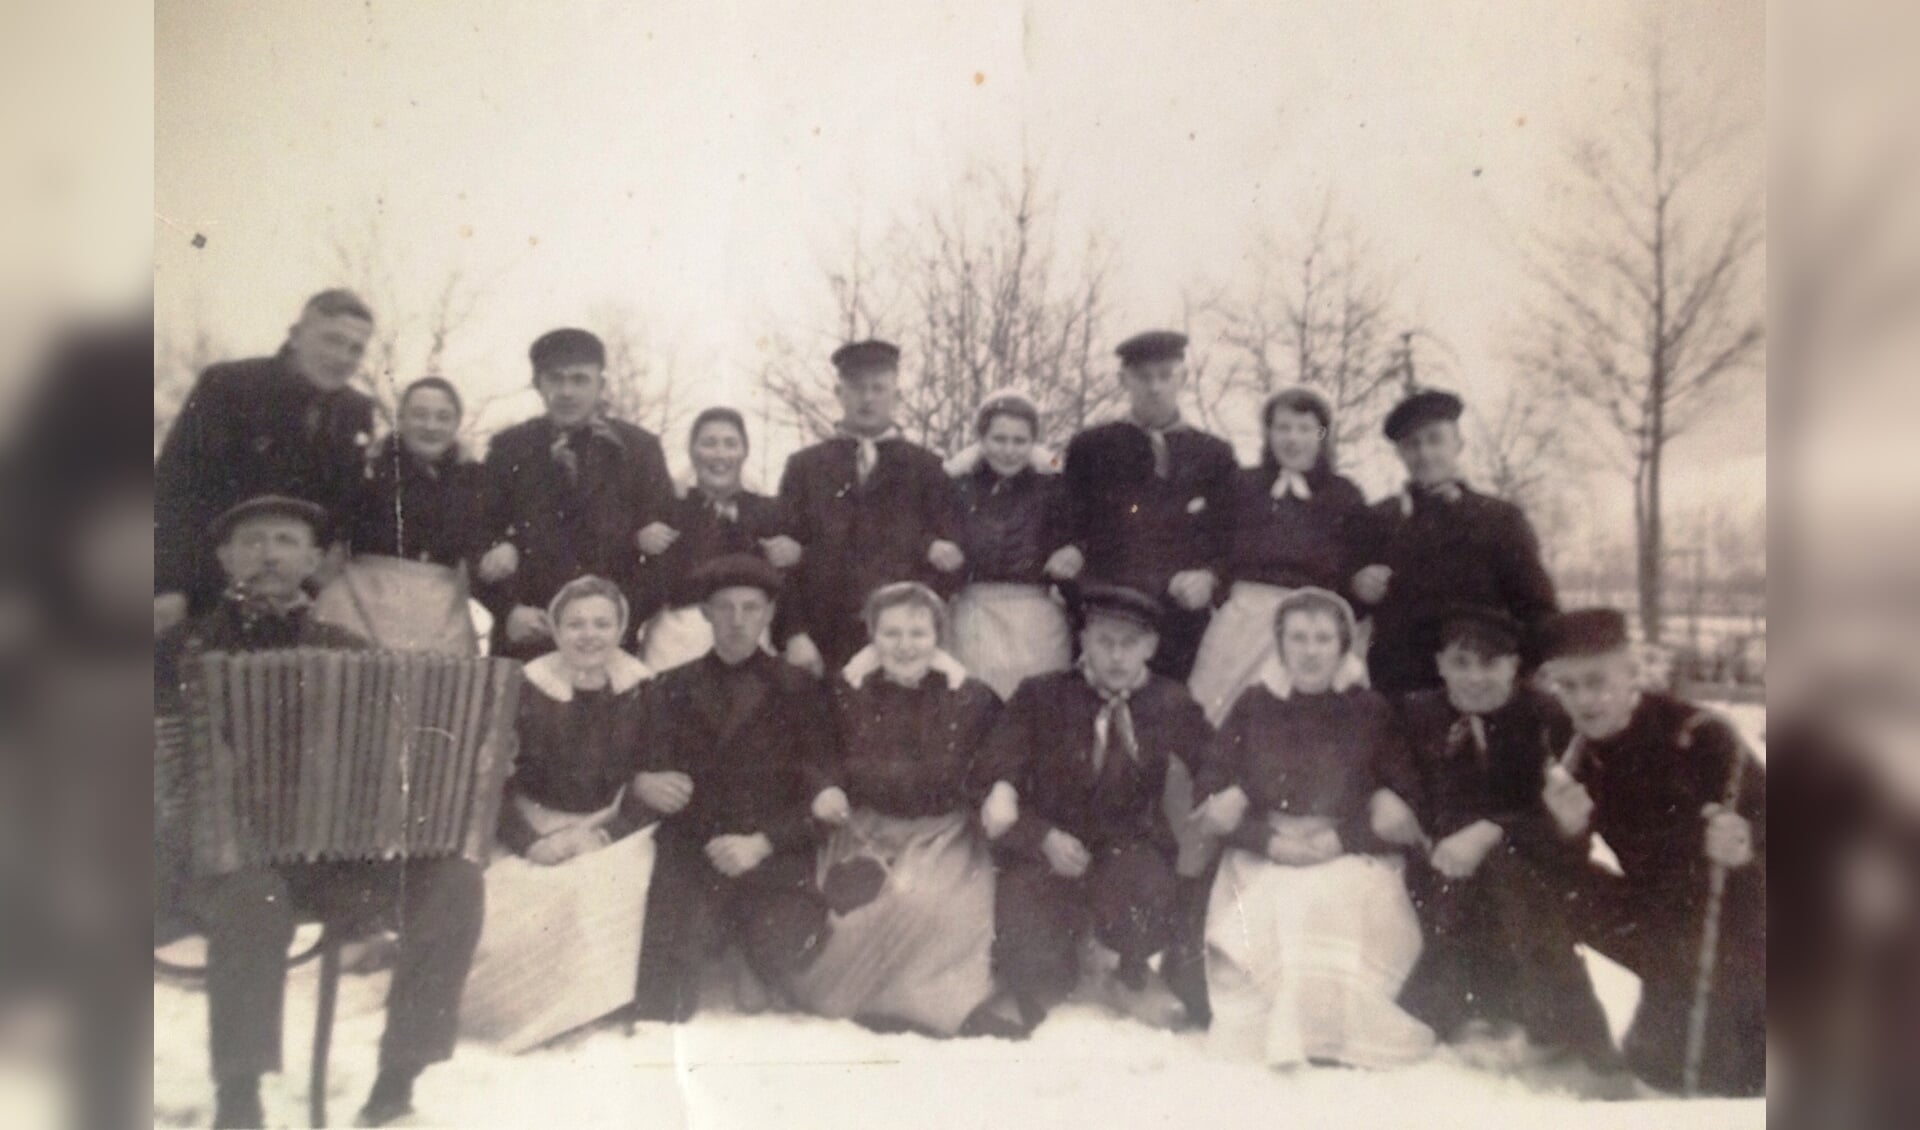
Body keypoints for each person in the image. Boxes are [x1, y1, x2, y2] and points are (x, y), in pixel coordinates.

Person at [153, 496, 482, 1129]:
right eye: (252, 541)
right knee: (255, 898)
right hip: (209, 867)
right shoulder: (176, 651)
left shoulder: (349, 650)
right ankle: (240, 1097)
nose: (270, 554)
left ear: (312, 558)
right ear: (223, 559)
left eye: (285, 540)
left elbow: (393, 755)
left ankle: (397, 1081)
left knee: (454, 881)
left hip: (334, 860)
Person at [1192, 586, 1434, 1070]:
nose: (1310, 651)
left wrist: (1343, 839)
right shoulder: (1254, 705)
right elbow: (1210, 791)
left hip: (1348, 851)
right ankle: (1282, 1030)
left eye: (1323, 638)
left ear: (1343, 645)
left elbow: (1410, 802)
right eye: (1297, 638)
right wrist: (1267, 839)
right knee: (1282, 895)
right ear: (1280, 644)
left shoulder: (1369, 710)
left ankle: (1330, 1035)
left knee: (1325, 895)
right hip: (1267, 850)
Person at [1533, 608, 1766, 1096]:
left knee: (1721, 1080)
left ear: (1632, 672)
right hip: (1657, 915)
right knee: (1536, 879)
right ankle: (1572, 1039)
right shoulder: (1569, 744)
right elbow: (1564, 863)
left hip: (1744, 923)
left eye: (1597, 681)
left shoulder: (1701, 736)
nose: (1583, 700)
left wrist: (1747, 848)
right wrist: (1567, 833)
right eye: (1567, 685)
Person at [1391, 607, 1626, 1082]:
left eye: (1491, 664)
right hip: (1439, 869)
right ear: (1439, 664)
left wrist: (1494, 828)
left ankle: (1571, 1041)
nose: (1475, 678)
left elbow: (1569, 818)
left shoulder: (1548, 719)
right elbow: (1399, 785)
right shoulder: (1416, 715)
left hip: (1531, 872)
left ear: (1515, 665)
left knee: (1507, 868)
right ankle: (1457, 1012)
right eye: (1461, 663)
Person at [969, 584, 1211, 1030]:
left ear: (1151, 646)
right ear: (1083, 641)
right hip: (1050, 848)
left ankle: (1128, 971)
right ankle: (1051, 970)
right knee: (1034, 954)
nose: (1117, 657)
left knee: (1148, 900)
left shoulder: (1169, 701)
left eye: (1130, 644)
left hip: (1127, 850)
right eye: (1105, 642)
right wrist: (1040, 836)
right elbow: (993, 767)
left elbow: (1215, 762)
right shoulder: (1043, 695)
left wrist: (1221, 797)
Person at [786, 582, 1011, 1036]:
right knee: (858, 911)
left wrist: (997, 791)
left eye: (917, 633)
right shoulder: (843, 692)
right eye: (891, 633)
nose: (905, 646)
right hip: (865, 830)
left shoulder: (971, 697)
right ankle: (857, 999)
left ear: (938, 636)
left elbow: (995, 760)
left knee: (929, 905)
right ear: (871, 633)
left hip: (942, 835)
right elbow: (815, 752)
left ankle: (927, 1007)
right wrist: (825, 788)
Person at [631, 554, 837, 1022]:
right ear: (704, 613)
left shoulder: (800, 688)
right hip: (695, 848)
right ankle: (718, 939)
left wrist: (762, 844)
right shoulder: (670, 687)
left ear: (769, 614)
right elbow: (651, 771)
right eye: (724, 607)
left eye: (750, 607)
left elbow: (824, 789)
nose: (737, 621)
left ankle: (749, 953)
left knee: (782, 946)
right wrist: (645, 784)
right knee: (664, 1001)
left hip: (771, 849)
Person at [459, 576, 660, 1052]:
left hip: (609, 827)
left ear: (620, 628)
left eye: (601, 623)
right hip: (531, 824)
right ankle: (531, 1015)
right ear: (555, 628)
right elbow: (491, 784)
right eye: (575, 624)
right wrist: (534, 841)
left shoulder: (642, 687)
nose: (588, 635)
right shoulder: (524, 687)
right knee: (520, 906)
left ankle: (590, 1005)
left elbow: (649, 778)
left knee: (607, 890)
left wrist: (606, 833)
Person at [155, 289, 378, 631]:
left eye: (355, 349)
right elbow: (173, 489)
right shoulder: (229, 386)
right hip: (208, 588)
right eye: (332, 340)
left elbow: (347, 503)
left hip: (294, 598)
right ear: (296, 335)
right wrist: (169, 585)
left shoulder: (355, 410)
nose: (342, 357)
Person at [474, 328, 675, 660]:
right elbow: (477, 539)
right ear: (538, 384)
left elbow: (665, 550)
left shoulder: (639, 449)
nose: (567, 391)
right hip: (529, 635)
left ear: (601, 386)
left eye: (580, 379)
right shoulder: (509, 448)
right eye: (555, 379)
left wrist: (623, 614)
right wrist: (507, 610)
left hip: (608, 640)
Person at [1053, 331, 1236, 682]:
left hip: (1179, 619)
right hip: (1108, 613)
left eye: (1166, 376)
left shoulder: (1214, 454)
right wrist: (1075, 565)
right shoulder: (1091, 447)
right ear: (1124, 380)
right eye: (1143, 377)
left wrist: (1211, 578)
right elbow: (1068, 524)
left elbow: (1229, 536)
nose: (1155, 388)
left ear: (1182, 377)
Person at [776, 340, 966, 675]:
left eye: (878, 388)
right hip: (821, 643)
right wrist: (794, 633)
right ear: (839, 393)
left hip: (900, 647)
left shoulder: (927, 468)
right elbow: (783, 560)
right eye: (857, 388)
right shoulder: (805, 467)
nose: (867, 398)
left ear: (897, 395)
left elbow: (952, 561)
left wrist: (921, 630)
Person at [1188, 386, 1374, 726]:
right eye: (1283, 428)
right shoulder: (1242, 486)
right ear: (1269, 432)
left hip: (1311, 627)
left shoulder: (1343, 495)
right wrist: (1211, 579)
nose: (1293, 439)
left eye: (1305, 429)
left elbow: (1357, 570)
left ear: (1321, 435)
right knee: (1214, 713)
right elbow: (1214, 548)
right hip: (1244, 619)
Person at [1354, 387, 1557, 696]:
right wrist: (1357, 587)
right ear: (1399, 453)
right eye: (1412, 444)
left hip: (1482, 692)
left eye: (1435, 439)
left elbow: (1539, 614)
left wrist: (1515, 681)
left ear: (1458, 443)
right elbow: (1344, 604)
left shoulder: (1500, 520)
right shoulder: (1379, 520)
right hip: (1402, 694)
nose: (1424, 454)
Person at [313, 375, 487, 654]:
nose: (431, 426)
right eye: (420, 415)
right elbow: (331, 538)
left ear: (456, 423)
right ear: (401, 419)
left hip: (440, 610)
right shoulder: (367, 468)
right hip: (361, 602)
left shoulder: (475, 479)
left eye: (443, 417)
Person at [632, 407, 800, 671]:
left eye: (730, 444)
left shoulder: (770, 512)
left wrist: (796, 554)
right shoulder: (666, 508)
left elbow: (794, 584)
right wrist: (639, 541)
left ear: (744, 452)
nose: (720, 454)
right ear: (692, 451)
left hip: (746, 637)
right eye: (709, 443)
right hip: (675, 642)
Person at [944, 389, 1074, 699]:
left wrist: (1073, 550)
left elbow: (1075, 533)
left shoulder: (1053, 485)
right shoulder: (958, 485)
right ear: (982, 439)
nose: (1009, 450)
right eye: (999, 439)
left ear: (1033, 443)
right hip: (974, 615)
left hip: (1036, 618)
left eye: (1020, 441)